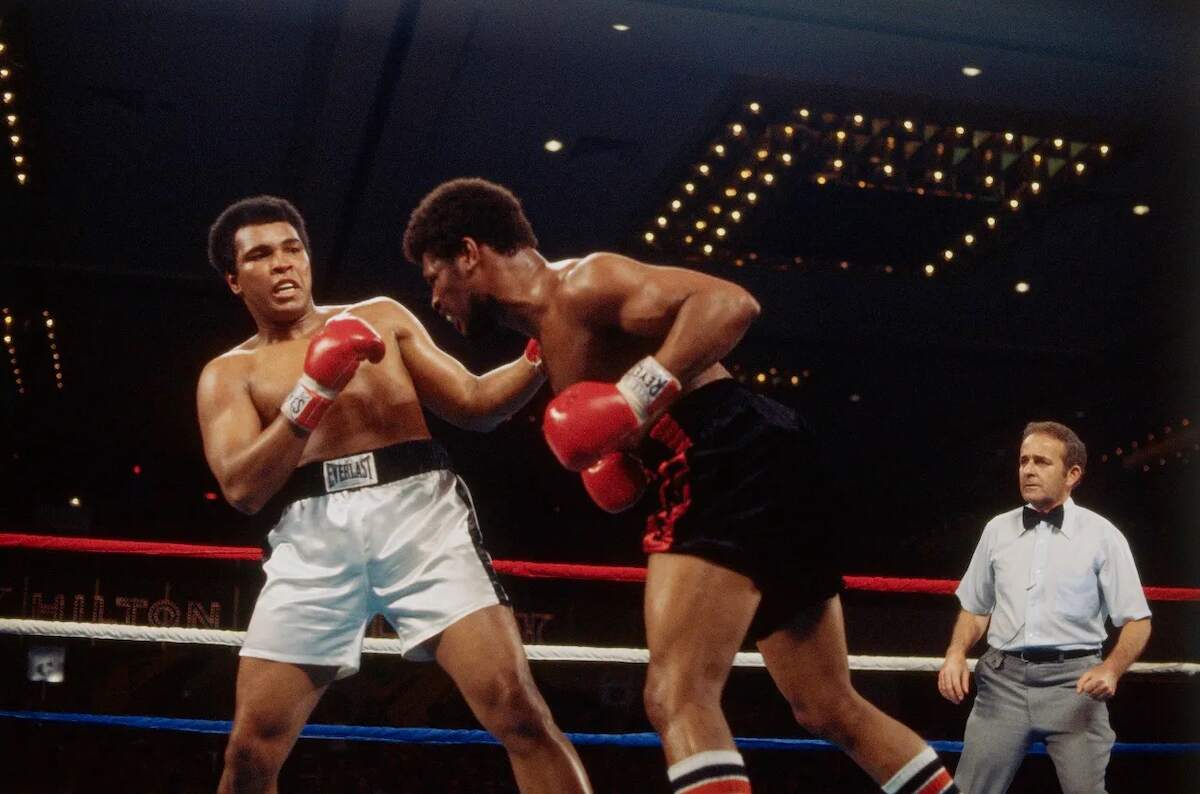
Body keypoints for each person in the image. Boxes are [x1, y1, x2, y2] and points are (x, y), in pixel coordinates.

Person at [402, 177, 959, 794]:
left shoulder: (583, 284)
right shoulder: (549, 343)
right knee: (825, 705)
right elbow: (493, 409)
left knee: (677, 695)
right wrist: (624, 458)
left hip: (723, 449)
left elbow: (728, 304)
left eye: (433, 277)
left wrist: (630, 401)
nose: (434, 298)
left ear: (470, 253)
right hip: (763, 454)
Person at [197, 195, 591, 794]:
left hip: (420, 519)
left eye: (292, 249)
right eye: (259, 256)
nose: (282, 264)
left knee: (518, 709)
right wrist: (313, 389)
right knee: (250, 752)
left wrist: (544, 349)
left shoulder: (379, 315)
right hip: (313, 539)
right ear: (234, 279)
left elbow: (476, 404)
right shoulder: (228, 374)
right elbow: (243, 488)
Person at [937, 421, 1152, 794]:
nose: (1028, 470)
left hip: (1076, 687)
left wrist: (1111, 669)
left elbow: (1137, 620)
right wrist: (956, 653)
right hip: (1001, 683)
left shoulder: (1103, 535)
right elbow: (975, 607)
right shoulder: (997, 530)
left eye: (1041, 462)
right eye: (1023, 461)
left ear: (1073, 474)